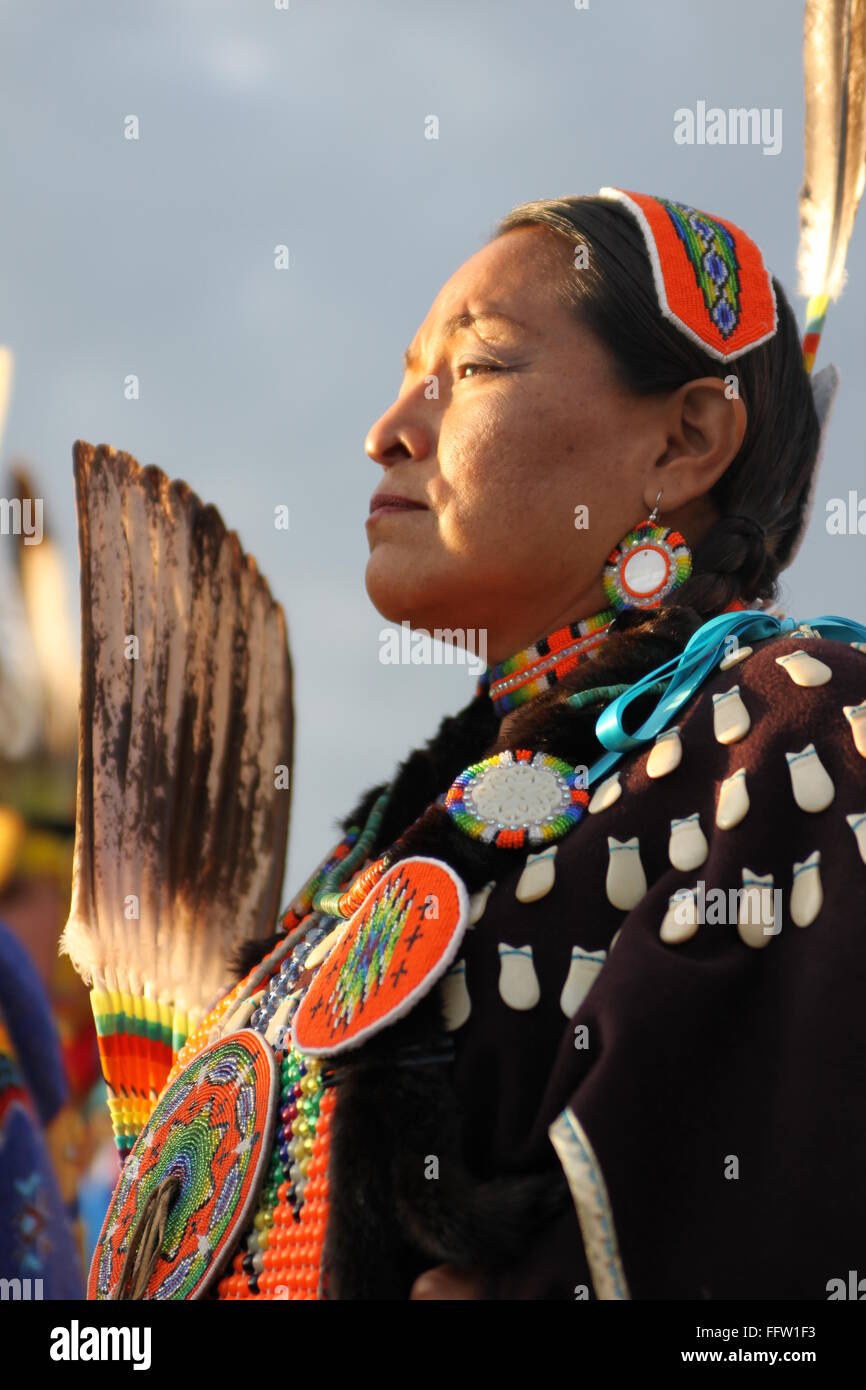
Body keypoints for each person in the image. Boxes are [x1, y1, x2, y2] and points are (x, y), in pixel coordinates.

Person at [89, 191, 866, 1301]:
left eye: (477, 367)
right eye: (410, 370)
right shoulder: (401, 835)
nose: (390, 427)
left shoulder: (796, 733)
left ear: (686, 437)